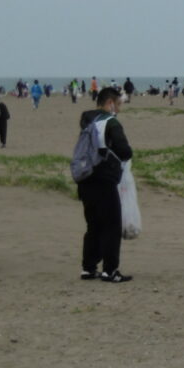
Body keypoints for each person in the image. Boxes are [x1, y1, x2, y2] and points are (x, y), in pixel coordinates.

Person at [77, 87, 133, 283]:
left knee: (93, 225)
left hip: (85, 178)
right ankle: (110, 270)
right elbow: (125, 151)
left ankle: (88, 268)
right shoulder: (110, 122)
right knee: (111, 225)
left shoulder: (87, 121)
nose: (119, 108)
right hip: (104, 179)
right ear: (110, 103)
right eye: (118, 104)